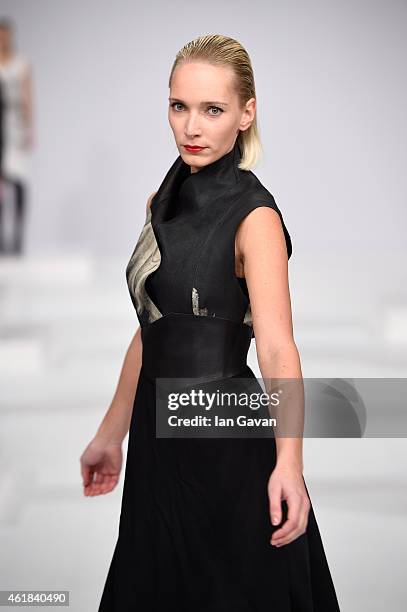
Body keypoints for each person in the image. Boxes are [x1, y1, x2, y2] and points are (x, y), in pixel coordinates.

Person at [80, 34, 341, 611]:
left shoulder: (256, 217)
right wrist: (110, 434)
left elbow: (277, 350)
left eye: (213, 110)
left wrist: (290, 466)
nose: (191, 127)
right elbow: (154, 329)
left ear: (247, 114)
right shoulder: (162, 202)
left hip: (225, 438)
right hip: (158, 441)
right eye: (180, 106)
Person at [0, 17, 34, 255]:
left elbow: (27, 96)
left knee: (19, 179)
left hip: (14, 125)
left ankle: (18, 235)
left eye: (6, 34)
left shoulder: (21, 63)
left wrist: (30, 128)